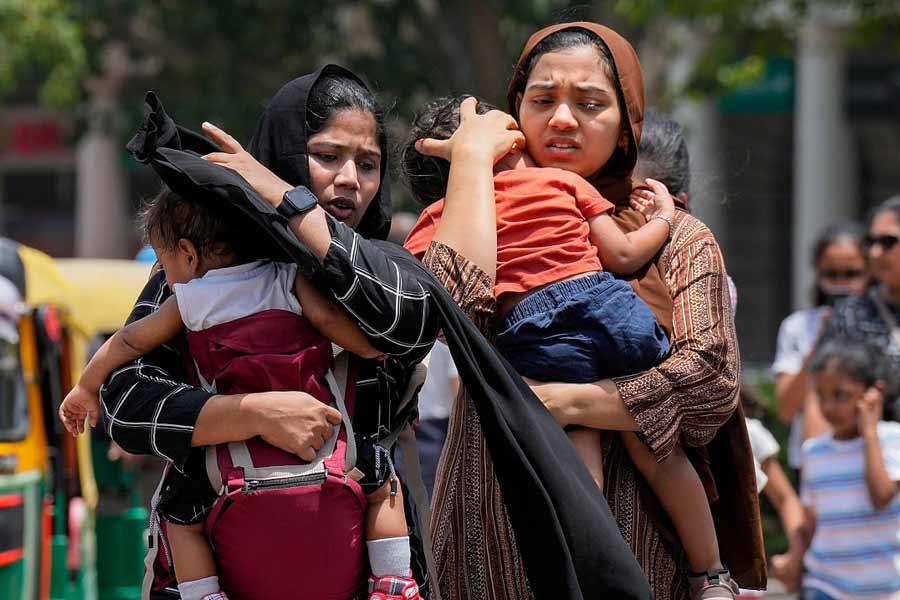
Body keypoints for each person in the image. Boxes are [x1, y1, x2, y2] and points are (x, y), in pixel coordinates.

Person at [409, 24, 763, 600]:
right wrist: (472, 167)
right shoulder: (470, 214)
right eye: (542, 100)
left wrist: (572, 402)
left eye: (591, 103)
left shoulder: (677, 238)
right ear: (512, 112)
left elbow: (710, 381)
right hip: (488, 526)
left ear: (627, 125)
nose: (563, 119)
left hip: (644, 547)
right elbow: (448, 313)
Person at [100, 67, 440, 600]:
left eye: (367, 164)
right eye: (328, 157)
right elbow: (125, 405)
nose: (350, 178)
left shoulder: (386, 272)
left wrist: (287, 201)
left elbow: (410, 324)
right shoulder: (207, 271)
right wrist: (253, 414)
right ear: (280, 151)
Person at [59, 186, 424, 600]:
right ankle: (393, 582)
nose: (164, 274)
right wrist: (371, 347)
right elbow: (325, 318)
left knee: (179, 514)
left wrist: (86, 387)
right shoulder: (288, 276)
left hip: (228, 453)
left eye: (164, 263)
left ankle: (203, 593)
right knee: (383, 483)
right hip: (326, 436)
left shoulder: (189, 300)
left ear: (189, 254)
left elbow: (128, 343)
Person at [775, 339, 900, 599]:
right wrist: (794, 560)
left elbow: (881, 496)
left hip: (886, 589)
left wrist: (869, 433)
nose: (828, 407)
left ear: (873, 393)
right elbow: (811, 521)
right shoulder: (813, 452)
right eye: (820, 395)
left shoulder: (893, 440)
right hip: (826, 586)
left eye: (841, 395)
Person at [772, 222, 869, 469]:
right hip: (813, 462)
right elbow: (785, 410)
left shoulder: (879, 323)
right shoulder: (798, 327)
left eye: (852, 274)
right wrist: (820, 345)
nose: (841, 283)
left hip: (873, 458)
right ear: (817, 271)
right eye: (831, 274)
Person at [818, 195, 900, 423]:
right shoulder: (850, 314)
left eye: (888, 242)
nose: (875, 252)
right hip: (872, 453)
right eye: (871, 242)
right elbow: (824, 394)